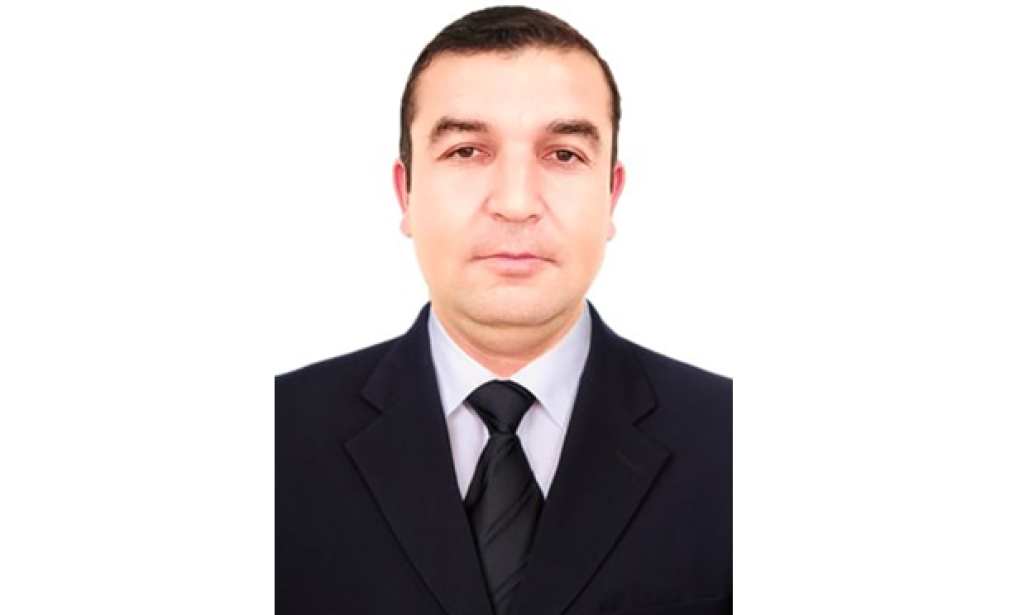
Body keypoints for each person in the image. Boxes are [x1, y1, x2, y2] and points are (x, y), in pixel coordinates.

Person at [276, 6, 732, 614]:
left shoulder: (735, 441)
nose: (516, 203)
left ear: (612, 194)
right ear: (406, 193)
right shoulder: (275, 438)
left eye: (563, 154)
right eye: (467, 151)